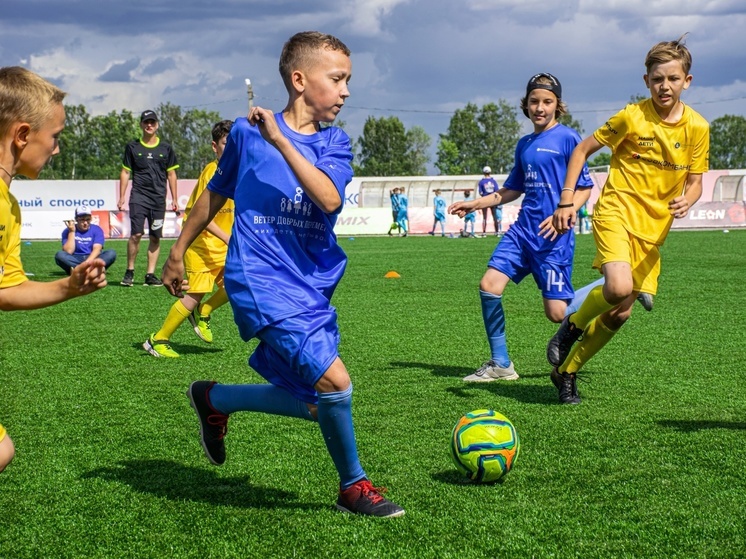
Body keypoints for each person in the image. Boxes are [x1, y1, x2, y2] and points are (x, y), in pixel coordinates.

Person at [161, 31, 404, 518]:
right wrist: (178, 249)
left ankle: (214, 399)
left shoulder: (335, 142)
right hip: (256, 277)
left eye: (347, 80)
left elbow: (329, 197)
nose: (346, 91)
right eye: (337, 79)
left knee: (318, 403)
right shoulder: (247, 134)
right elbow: (216, 193)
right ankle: (353, 488)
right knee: (335, 382)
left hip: (309, 283)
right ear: (299, 79)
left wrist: (281, 140)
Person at [547, 36, 709, 404]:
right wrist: (567, 200)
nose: (664, 86)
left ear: (687, 81)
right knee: (617, 288)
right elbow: (583, 149)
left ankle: (566, 373)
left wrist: (688, 200)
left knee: (621, 314)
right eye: (657, 79)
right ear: (646, 80)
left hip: (653, 231)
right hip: (616, 212)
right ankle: (570, 327)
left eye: (672, 78)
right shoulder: (631, 117)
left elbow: (696, 183)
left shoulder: (698, 128)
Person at [449, 72, 593, 383]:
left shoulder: (569, 139)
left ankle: (614, 290)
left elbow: (584, 187)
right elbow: (511, 190)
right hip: (521, 232)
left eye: (547, 101)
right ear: (525, 105)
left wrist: (566, 211)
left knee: (557, 313)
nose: (540, 107)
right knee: (489, 285)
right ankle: (501, 364)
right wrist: (475, 204)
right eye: (534, 101)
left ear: (558, 105)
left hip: (552, 237)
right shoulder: (524, 144)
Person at [0, 66, 108, 472]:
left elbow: (6, 290)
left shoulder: (9, 204)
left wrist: (69, 286)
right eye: (55, 137)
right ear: (23, 135)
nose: (57, 149)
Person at [144, 120, 234, 358]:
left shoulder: (238, 172)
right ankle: (158, 340)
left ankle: (206, 310)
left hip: (224, 247)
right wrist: (227, 237)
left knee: (240, 284)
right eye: (227, 143)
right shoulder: (213, 172)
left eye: (236, 143)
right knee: (193, 295)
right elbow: (199, 214)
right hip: (202, 244)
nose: (232, 148)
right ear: (215, 147)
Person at [118, 110, 179, 287]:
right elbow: (125, 172)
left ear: (157, 125)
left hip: (158, 199)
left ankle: (150, 275)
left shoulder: (166, 148)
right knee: (136, 234)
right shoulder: (132, 147)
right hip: (138, 196)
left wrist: (175, 198)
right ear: (141, 125)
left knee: (155, 237)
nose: (149, 125)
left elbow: (172, 174)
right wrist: (121, 196)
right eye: (146, 122)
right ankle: (129, 271)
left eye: (152, 122)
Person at [55, 205, 117, 275]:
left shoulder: (97, 229)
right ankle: (93, 269)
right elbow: (68, 251)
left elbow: (97, 249)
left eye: (88, 219)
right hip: (75, 258)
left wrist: (87, 263)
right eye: (82, 220)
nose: (85, 223)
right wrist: (72, 232)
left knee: (111, 253)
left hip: (92, 257)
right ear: (76, 219)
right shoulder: (67, 231)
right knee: (59, 255)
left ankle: (78, 269)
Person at [478, 166, 501, 236]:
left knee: (484, 217)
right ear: (490, 172)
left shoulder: (481, 182)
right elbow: (497, 191)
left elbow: (480, 192)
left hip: (485, 199)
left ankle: (484, 232)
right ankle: (497, 232)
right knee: (495, 217)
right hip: (492, 200)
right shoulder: (493, 181)